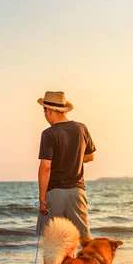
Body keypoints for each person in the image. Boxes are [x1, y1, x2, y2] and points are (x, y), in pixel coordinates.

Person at [36, 91, 96, 245]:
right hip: (77, 192)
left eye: (44, 111)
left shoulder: (48, 134)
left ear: (49, 110)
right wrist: (73, 157)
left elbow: (45, 167)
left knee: (54, 242)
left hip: (55, 193)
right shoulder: (81, 128)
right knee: (84, 239)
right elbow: (90, 156)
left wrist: (42, 200)